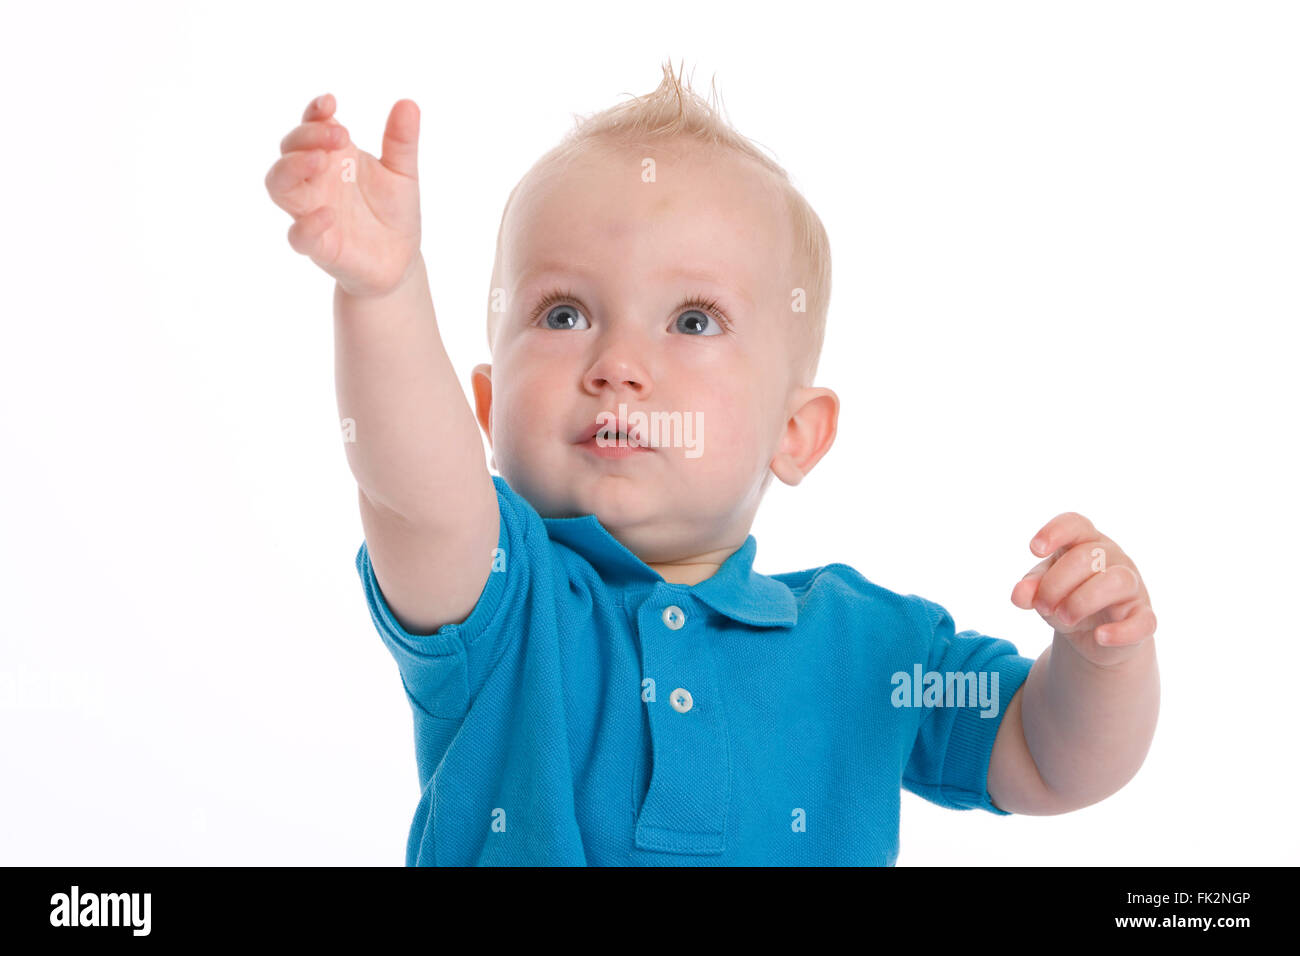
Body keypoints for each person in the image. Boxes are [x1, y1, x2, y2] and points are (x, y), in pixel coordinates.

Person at [265, 61, 1160, 865]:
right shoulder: (501, 599)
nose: (618, 363)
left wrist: (1101, 661)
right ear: (489, 415)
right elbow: (417, 492)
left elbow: (1047, 758)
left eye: (693, 321)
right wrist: (383, 292)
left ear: (795, 432)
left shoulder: (870, 645)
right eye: (565, 313)